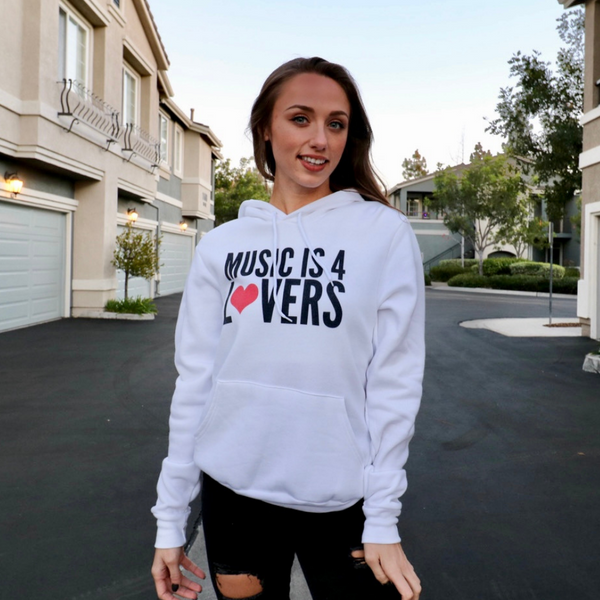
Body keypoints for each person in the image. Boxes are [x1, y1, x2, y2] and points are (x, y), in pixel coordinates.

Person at [151, 56, 425, 600]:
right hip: (233, 497)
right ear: (265, 129)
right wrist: (170, 519)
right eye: (300, 118)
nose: (320, 139)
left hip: (341, 498)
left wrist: (383, 517)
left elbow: (394, 383)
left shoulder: (384, 234)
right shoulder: (222, 246)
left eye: (336, 124)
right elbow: (195, 383)